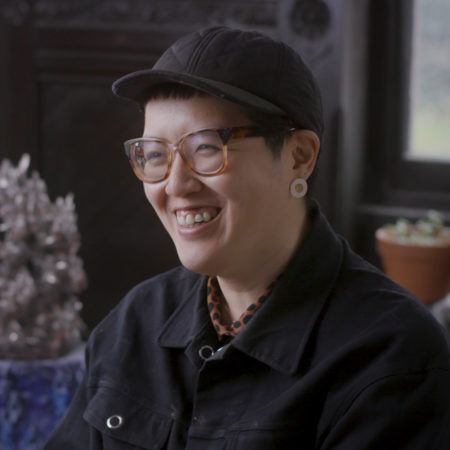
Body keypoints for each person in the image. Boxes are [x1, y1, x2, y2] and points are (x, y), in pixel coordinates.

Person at [44, 26, 450, 450]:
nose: (176, 184)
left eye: (205, 147)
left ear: (299, 156)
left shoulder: (391, 355)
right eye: (155, 155)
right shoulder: (134, 323)